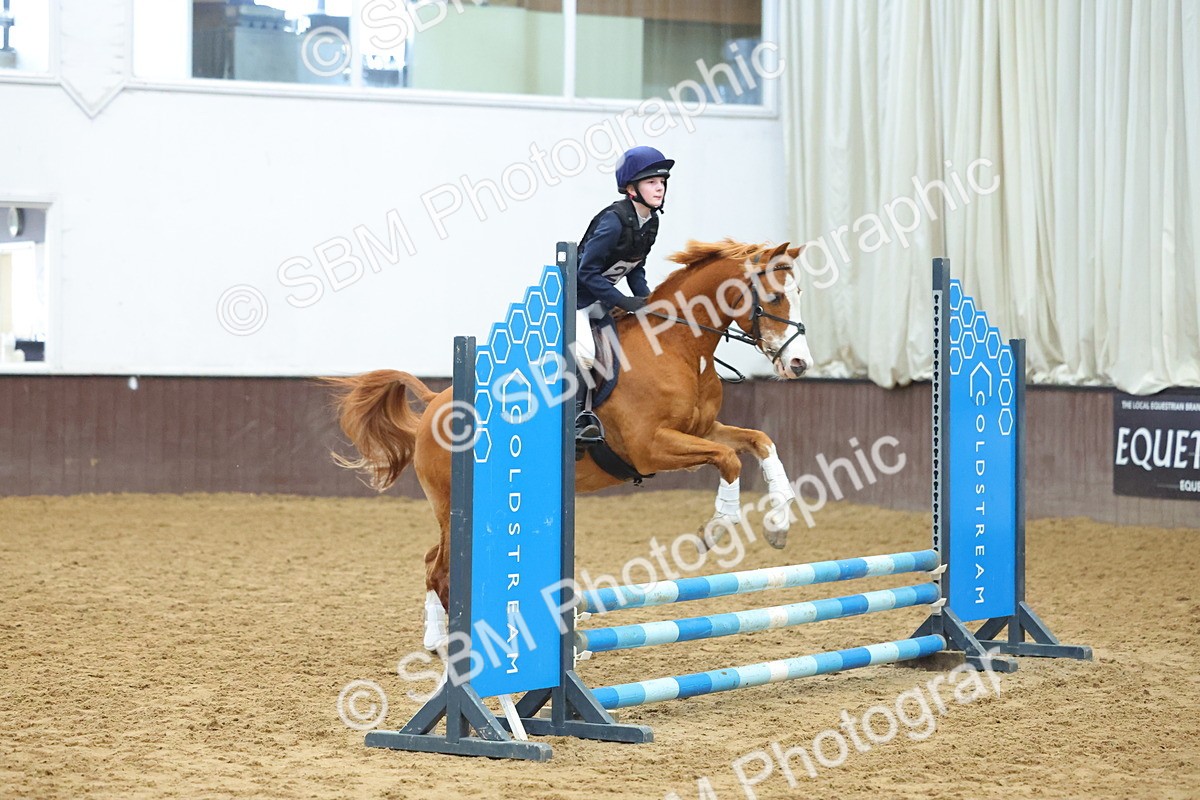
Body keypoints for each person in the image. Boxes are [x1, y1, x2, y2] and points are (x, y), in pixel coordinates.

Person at [573, 145, 674, 444]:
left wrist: (650, 300)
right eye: (652, 182)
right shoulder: (613, 221)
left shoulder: (651, 222)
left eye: (662, 182)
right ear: (632, 189)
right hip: (575, 302)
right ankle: (579, 418)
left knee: (626, 350)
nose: (660, 188)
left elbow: (635, 268)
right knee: (588, 354)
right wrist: (625, 301)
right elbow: (586, 272)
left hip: (600, 302)